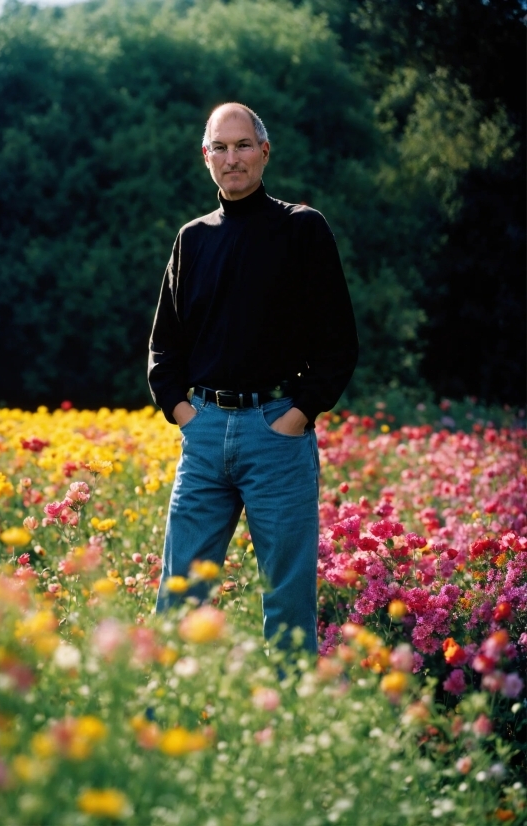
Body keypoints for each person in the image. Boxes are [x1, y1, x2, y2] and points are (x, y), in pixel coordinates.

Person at [148, 102, 358, 653]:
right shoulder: (192, 239)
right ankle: (160, 726)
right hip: (205, 435)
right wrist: (183, 414)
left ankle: (290, 727)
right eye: (220, 147)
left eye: (242, 145)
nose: (231, 157)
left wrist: (297, 416)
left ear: (265, 152)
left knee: (288, 606)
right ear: (205, 157)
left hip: (277, 437)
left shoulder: (303, 229)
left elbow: (339, 344)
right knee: (178, 598)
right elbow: (163, 348)